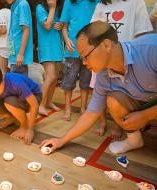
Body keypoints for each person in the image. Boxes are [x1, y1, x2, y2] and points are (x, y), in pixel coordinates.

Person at [40, 21, 157, 155]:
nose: (84, 63)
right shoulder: (103, 76)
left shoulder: (151, 49)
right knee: (113, 101)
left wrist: (146, 116)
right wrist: (61, 140)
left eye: (85, 56)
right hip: (144, 102)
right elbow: (91, 113)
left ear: (106, 45)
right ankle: (134, 140)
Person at [90, 0, 153, 136]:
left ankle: (130, 123)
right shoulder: (101, 6)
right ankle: (106, 122)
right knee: (101, 93)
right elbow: (93, 33)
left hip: (127, 60)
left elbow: (143, 33)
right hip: (102, 59)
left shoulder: (135, 2)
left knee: (127, 92)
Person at [0, 62, 42, 144]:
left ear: (2, 77)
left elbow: (34, 105)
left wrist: (30, 129)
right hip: (14, 100)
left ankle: (24, 125)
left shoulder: (17, 83)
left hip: (34, 97)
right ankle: (15, 117)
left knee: (9, 102)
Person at [59, 0, 99, 121]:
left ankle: (83, 108)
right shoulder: (69, 2)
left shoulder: (96, 2)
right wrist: (66, 40)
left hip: (89, 50)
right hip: (72, 49)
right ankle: (67, 108)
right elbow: (64, 27)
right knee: (68, 80)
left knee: (86, 81)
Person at [36, 0, 64, 116]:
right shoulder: (40, 8)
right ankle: (40, 105)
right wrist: (52, 8)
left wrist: (61, 25)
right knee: (50, 76)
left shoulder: (58, 8)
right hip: (46, 47)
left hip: (57, 46)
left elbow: (59, 26)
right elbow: (47, 26)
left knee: (55, 77)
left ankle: (48, 102)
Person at [5, 0, 33, 76]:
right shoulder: (13, 5)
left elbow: (26, 30)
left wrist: (20, 54)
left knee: (19, 86)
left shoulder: (22, 4)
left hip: (19, 57)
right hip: (14, 56)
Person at [0, 0, 11, 73]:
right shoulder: (11, 11)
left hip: (4, 45)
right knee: (12, 70)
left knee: (3, 72)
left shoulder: (0, 12)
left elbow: (4, 30)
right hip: (12, 44)